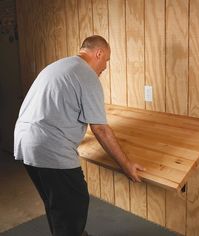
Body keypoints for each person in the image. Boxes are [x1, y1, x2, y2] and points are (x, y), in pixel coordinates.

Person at [14, 35, 145, 236]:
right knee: (74, 203)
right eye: (106, 61)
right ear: (98, 53)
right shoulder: (87, 75)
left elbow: (56, 108)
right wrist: (126, 165)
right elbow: (100, 128)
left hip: (25, 144)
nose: (105, 67)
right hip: (50, 149)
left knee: (58, 205)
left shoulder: (58, 66)